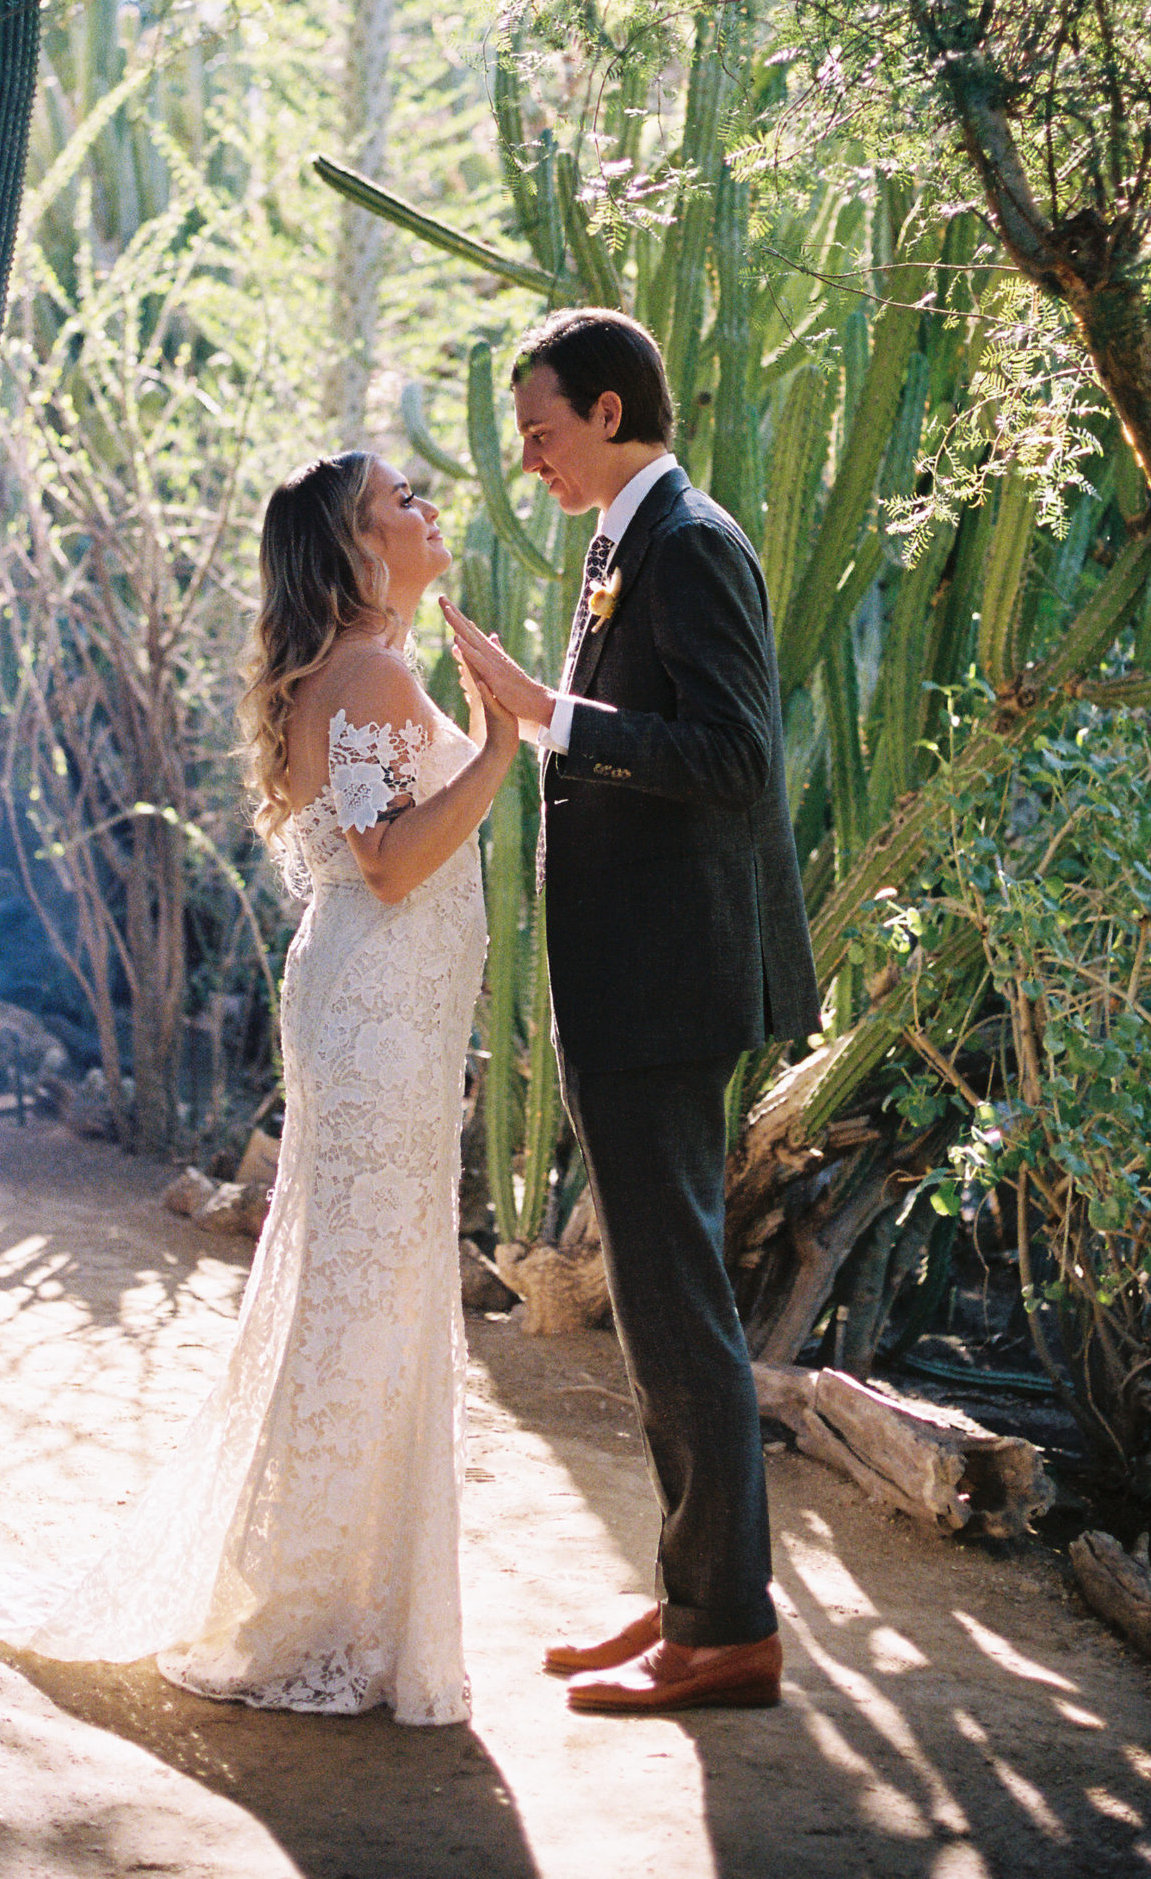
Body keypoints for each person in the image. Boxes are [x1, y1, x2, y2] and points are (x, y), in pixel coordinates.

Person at [0, 450, 517, 1725]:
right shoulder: (375, 672)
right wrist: (501, 734)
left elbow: (386, 840)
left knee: (368, 1288)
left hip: (376, 1005)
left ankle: (341, 1596)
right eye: (403, 498)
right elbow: (389, 862)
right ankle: (317, 1611)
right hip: (376, 1010)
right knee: (365, 1292)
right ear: (353, 541)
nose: (430, 506)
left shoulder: (366, 668)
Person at [441, 307, 819, 1716]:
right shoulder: (626, 542)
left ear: (609, 413)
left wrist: (554, 716)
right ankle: (691, 1597)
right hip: (634, 984)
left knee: (678, 1303)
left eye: (540, 430)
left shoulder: (693, 543)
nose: (526, 458)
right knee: (663, 1304)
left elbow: (734, 756)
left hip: (671, 987)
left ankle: (724, 1632)